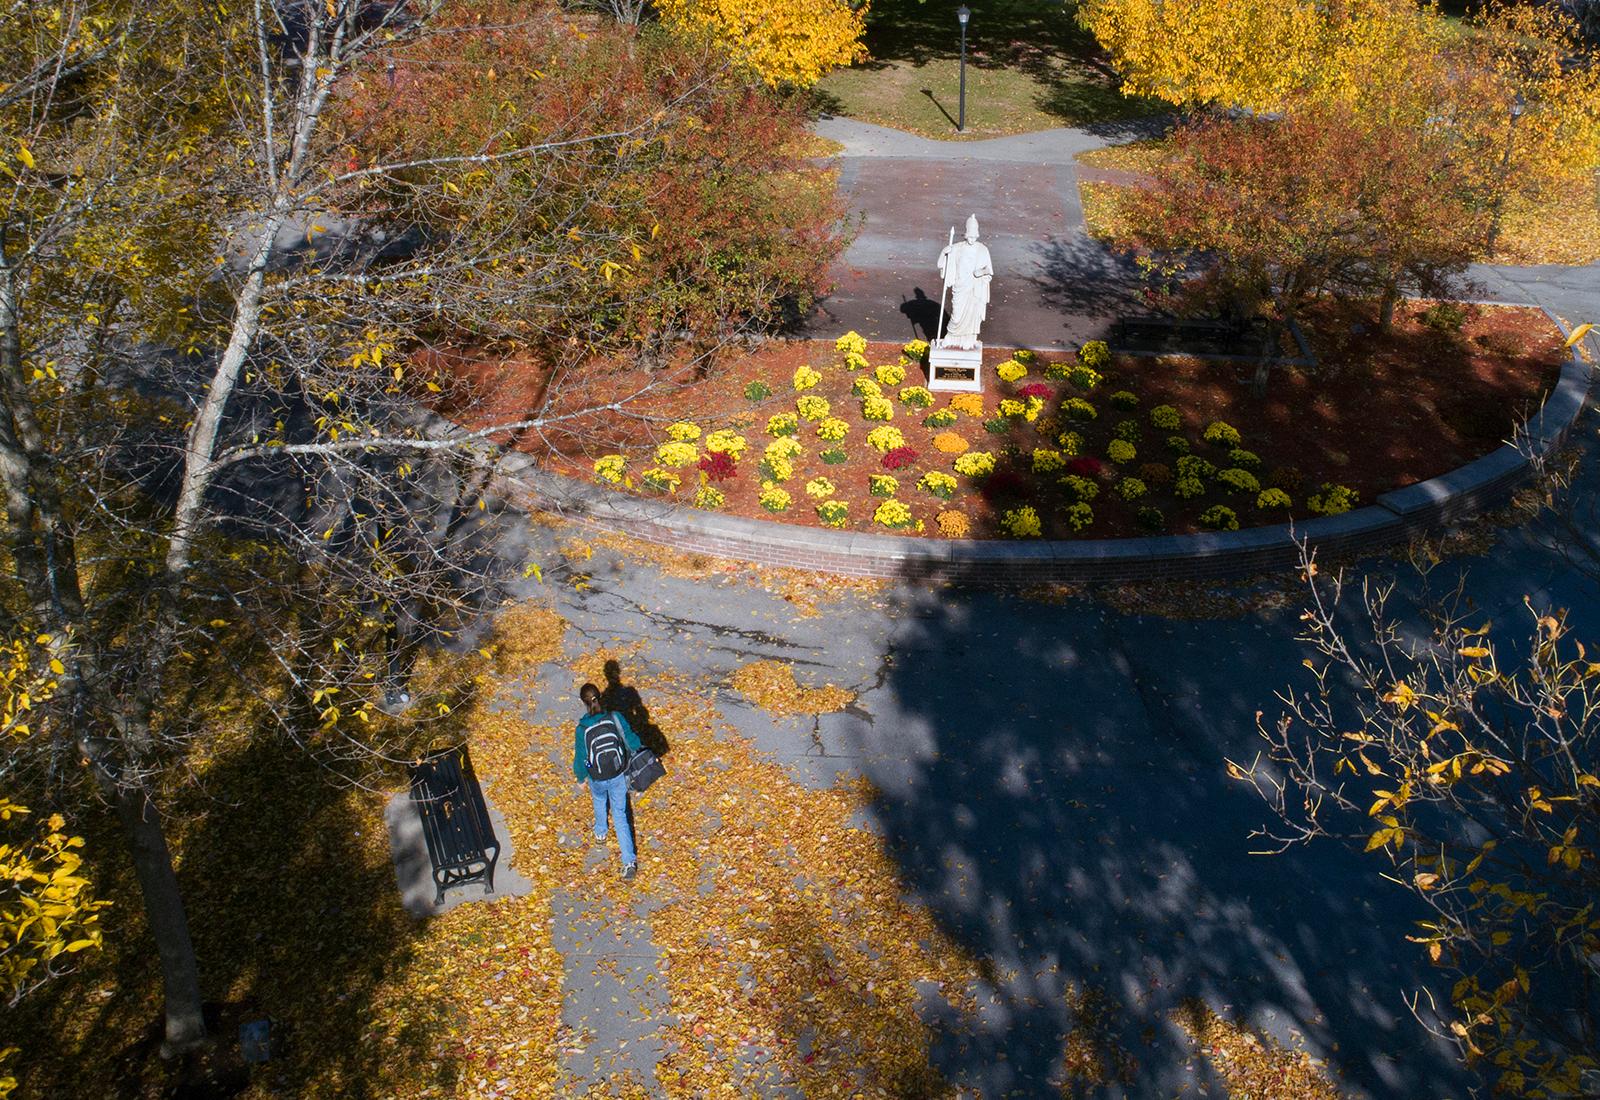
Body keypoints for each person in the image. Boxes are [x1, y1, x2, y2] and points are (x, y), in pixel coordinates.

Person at [573, 681, 643, 879]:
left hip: (597, 776)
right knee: (620, 815)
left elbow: (581, 756)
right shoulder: (614, 717)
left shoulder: (582, 729)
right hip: (618, 773)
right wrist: (641, 750)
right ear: (599, 698)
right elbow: (630, 738)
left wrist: (581, 777)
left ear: (584, 703)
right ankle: (629, 862)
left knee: (599, 800)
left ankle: (601, 832)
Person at [936, 214, 993, 349]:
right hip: (960, 286)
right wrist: (944, 252)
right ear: (966, 235)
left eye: (974, 237)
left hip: (975, 288)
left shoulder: (983, 250)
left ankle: (969, 339)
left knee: (973, 315)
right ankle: (950, 337)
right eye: (970, 236)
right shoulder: (956, 248)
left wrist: (981, 272)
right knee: (957, 315)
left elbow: (989, 270)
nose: (972, 239)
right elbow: (940, 265)